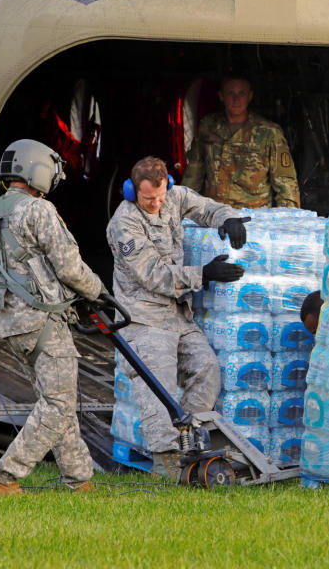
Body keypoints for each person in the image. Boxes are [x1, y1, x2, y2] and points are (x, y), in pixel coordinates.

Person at [0, 139, 104, 496]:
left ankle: (79, 480)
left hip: (12, 324)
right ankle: (4, 477)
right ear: (39, 171)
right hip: (45, 322)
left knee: (56, 400)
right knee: (59, 403)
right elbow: (69, 267)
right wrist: (99, 292)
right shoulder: (39, 211)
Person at [106, 156, 249, 478]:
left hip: (177, 316)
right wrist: (205, 273)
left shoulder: (174, 197)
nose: (156, 204)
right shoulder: (124, 223)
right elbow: (153, 275)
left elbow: (206, 208)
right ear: (131, 192)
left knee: (207, 368)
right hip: (142, 319)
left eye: (159, 197)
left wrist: (227, 219)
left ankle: (190, 443)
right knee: (158, 384)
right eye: (147, 199)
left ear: (167, 185)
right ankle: (165, 459)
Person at [182, 75, 300, 208]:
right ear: (221, 96)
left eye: (241, 93)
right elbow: (194, 173)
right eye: (230, 93)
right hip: (215, 213)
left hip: (254, 217)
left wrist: (289, 219)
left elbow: (285, 183)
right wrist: (183, 207)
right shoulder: (208, 127)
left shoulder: (268, 132)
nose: (236, 99)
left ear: (250, 96)